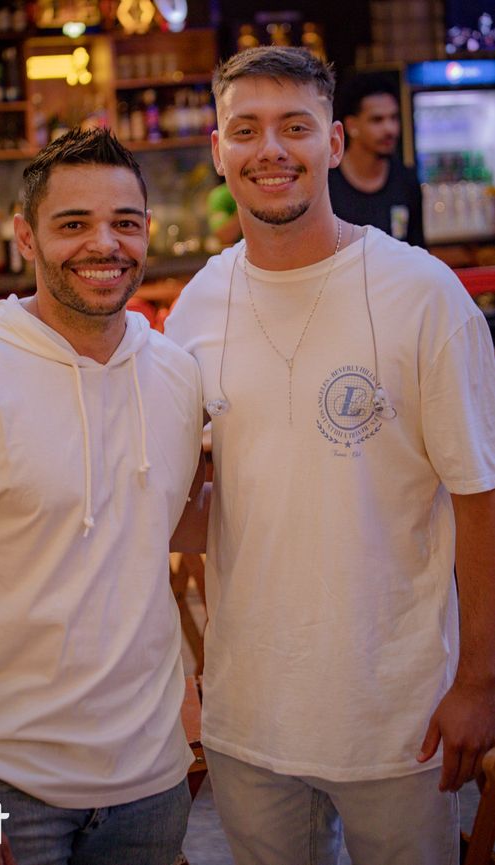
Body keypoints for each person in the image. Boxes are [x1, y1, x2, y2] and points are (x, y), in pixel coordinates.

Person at [165, 46, 495, 865]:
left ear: (333, 143)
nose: (270, 149)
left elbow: (479, 496)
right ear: (218, 150)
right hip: (248, 709)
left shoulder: (422, 293)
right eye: (246, 129)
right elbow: (197, 502)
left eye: (295, 126)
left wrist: (478, 681)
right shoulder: (198, 304)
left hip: (396, 712)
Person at [0, 127, 204, 865]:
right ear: (26, 237)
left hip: (154, 785)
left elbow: (172, 526)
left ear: (147, 232)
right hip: (0, 791)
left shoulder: (177, 374)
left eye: (124, 223)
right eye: (73, 224)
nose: (103, 244)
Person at [328, 71, 425, 246]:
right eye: (377, 120)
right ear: (351, 125)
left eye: (394, 118)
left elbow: (417, 249)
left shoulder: (405, 180)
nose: (390, 129)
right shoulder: (327, 183)